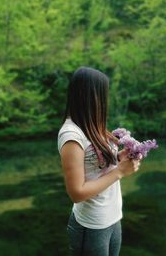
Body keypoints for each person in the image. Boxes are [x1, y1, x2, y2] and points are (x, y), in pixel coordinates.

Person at [57, 66, 141, 256]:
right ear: (89, 96)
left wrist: (122, 158)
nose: (105, 100)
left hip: (113, 218)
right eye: (103, 94)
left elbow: (98, 165)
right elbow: (77, 193)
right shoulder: (72, 135)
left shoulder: (94, 126)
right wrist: (120, 171)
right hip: (91, 225)